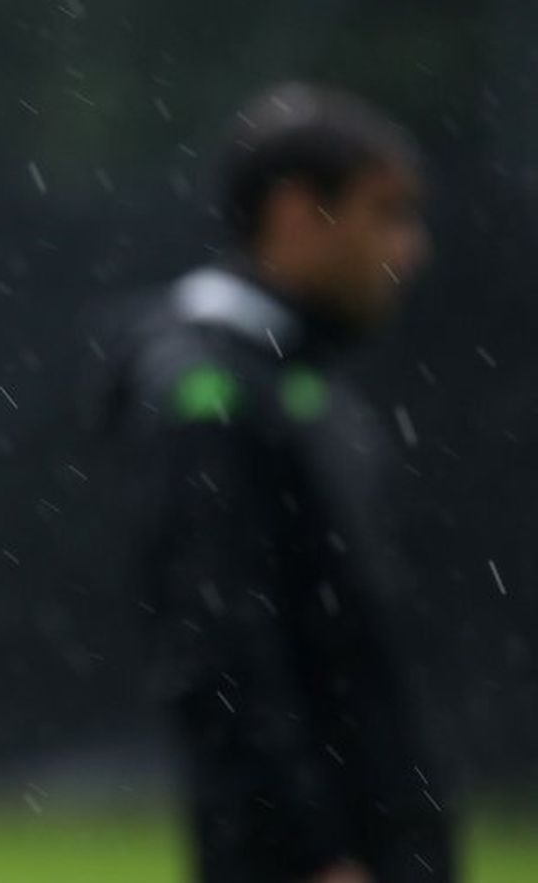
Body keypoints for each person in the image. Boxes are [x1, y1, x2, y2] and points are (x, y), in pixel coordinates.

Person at [99, 82, 453, 883]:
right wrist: (312, 849)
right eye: (386, 213)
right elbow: (218, 649)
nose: (409, 249)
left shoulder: (301, 376)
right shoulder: (206, 390)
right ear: (298, 212)